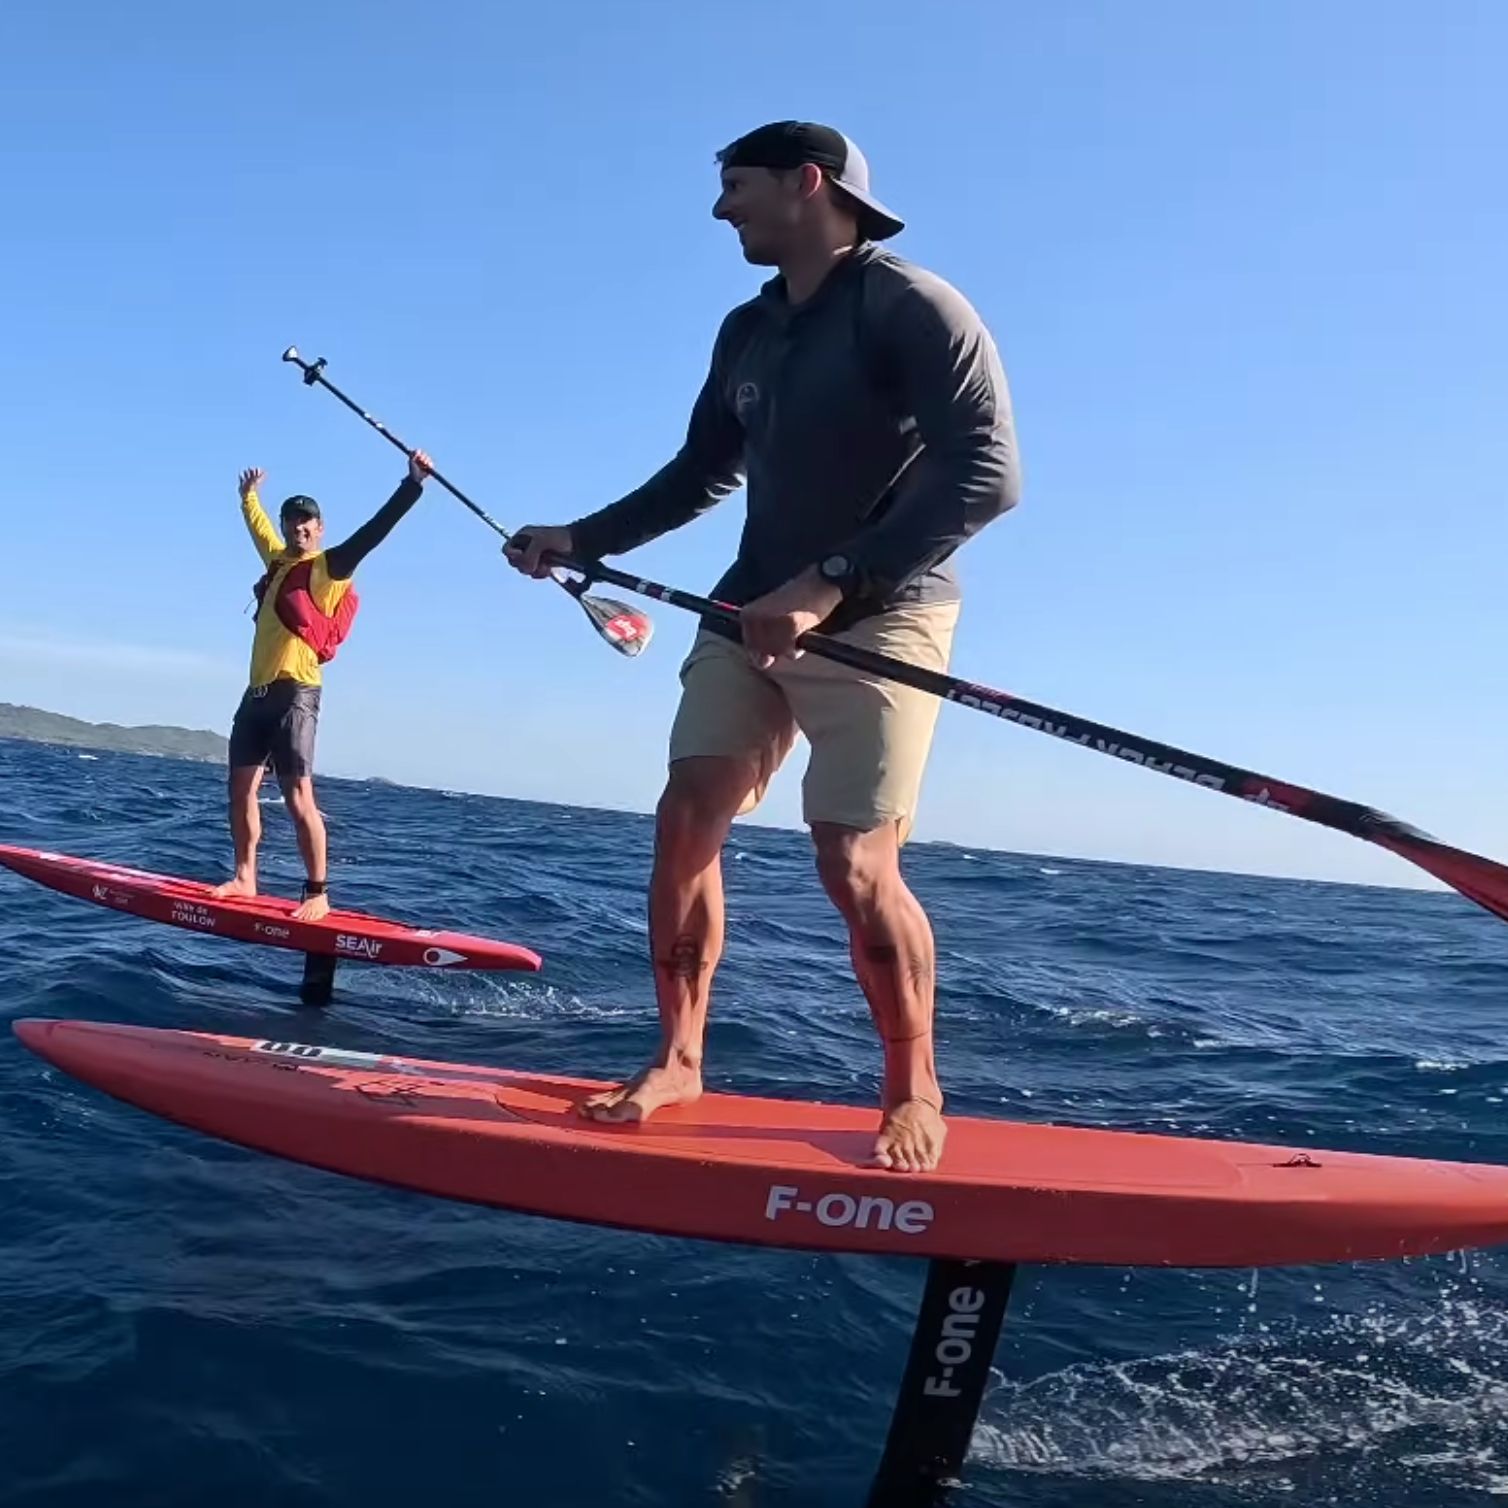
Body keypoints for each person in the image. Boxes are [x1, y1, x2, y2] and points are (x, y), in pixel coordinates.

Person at [506, 120, 1021, 1172]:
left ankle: (912, 1083)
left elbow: (986, 473)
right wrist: (580, 538)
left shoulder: (912, 307)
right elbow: (702, 470)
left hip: (886, 613)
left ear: (807, 182)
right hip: (746, 611)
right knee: (685, 812)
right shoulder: (745, 330)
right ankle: (679, 1055)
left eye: (734, 187)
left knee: (853, 858)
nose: (718, 210)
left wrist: (830, 581)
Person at [213, 453, 433, 921]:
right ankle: (245, 876)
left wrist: (411, 485)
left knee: (298, 798)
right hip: (256, 694)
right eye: (291, 520)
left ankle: (317, 892)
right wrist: (247, 496)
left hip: (297, 693)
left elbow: (373, 533)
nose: (298, 528)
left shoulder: (328, 570)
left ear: (320, 527)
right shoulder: (276, 560)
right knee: (239, 790)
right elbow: (257, 528)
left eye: (306, 521)